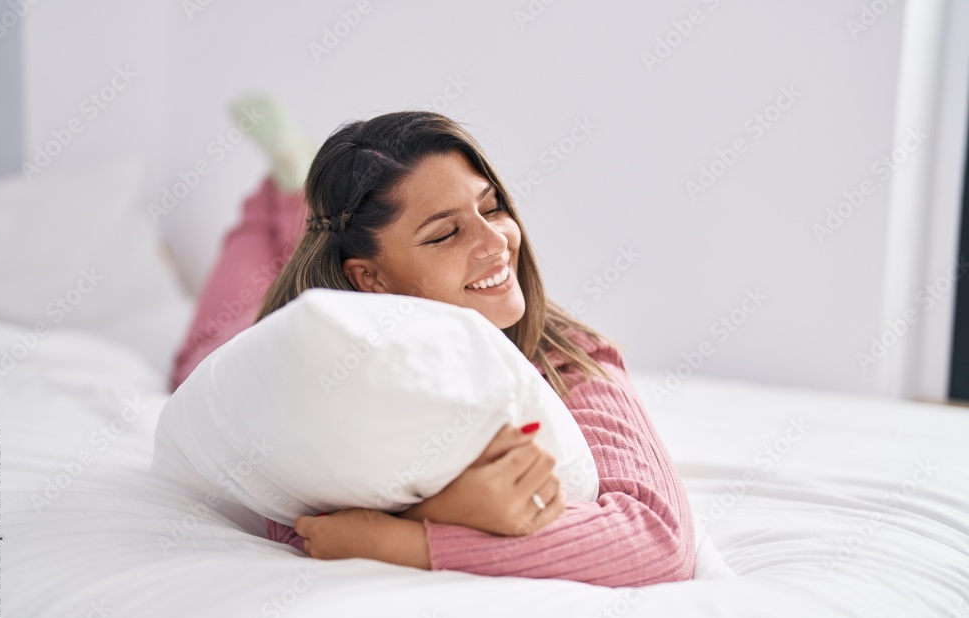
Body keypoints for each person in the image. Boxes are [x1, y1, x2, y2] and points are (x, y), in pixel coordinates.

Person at [171, 108, 696, 588]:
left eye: (492, 208)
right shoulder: (312, 374)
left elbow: (655, 538)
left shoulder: (568, 357)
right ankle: (285, 194)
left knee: (309, 241)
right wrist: (448, 511)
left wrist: (411, 540)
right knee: (200, 354)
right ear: (370, 280)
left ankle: (298, 190)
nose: (495, 242)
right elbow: (301, 526)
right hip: (263, 328)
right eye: (445, 233)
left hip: (353, 269)